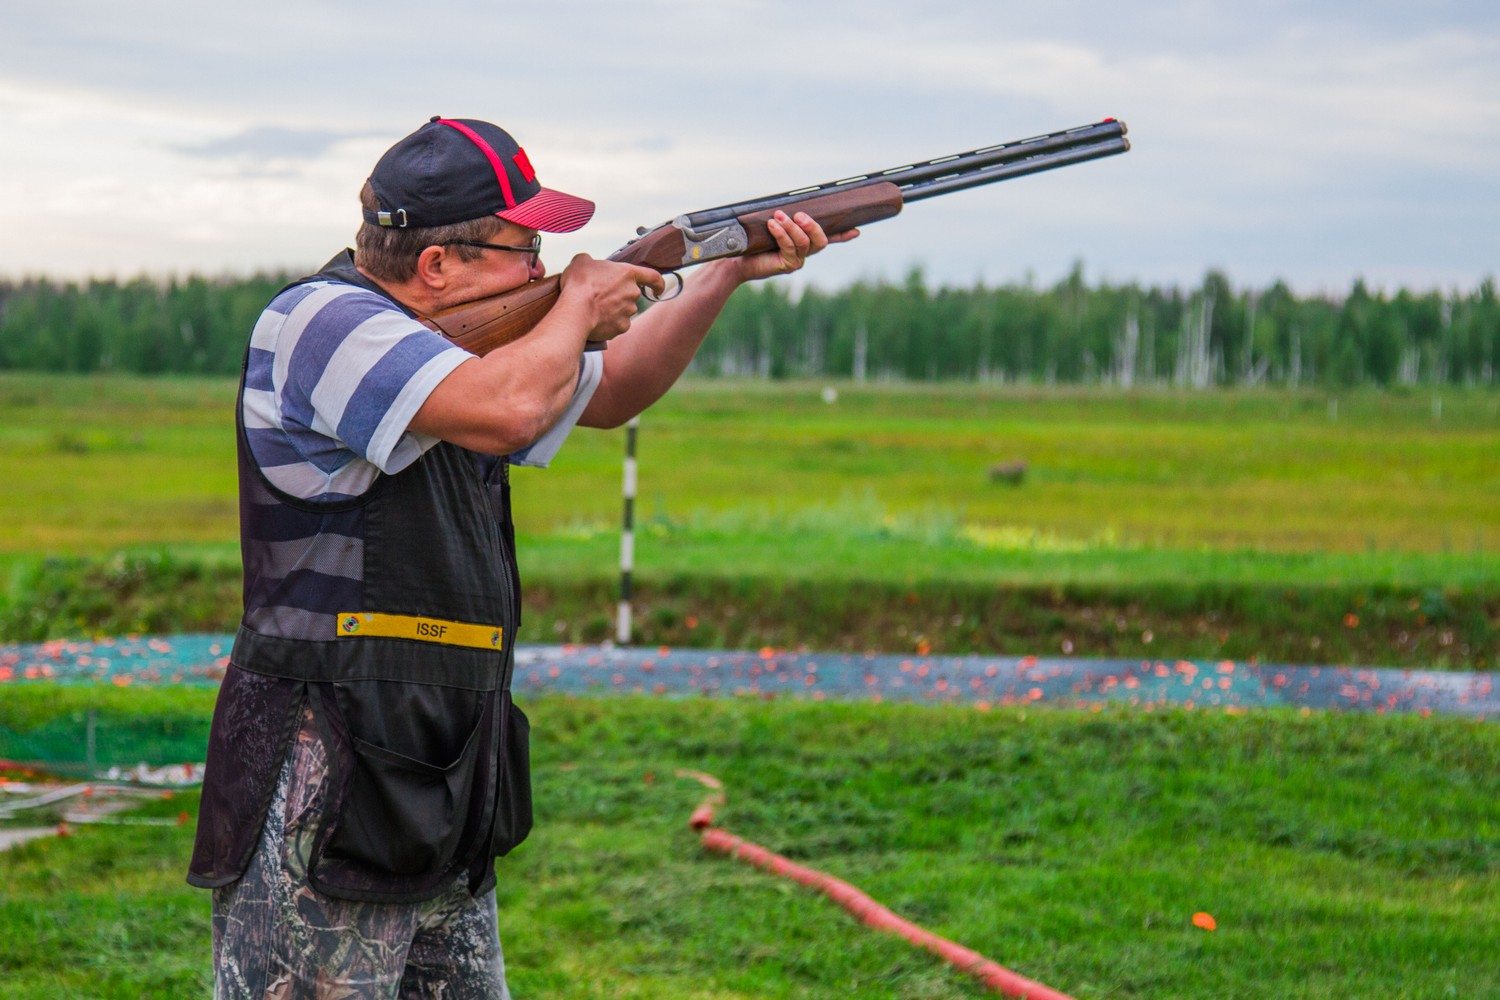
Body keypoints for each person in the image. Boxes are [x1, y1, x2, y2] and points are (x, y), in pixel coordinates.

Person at [187, 116, 854, 998]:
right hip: (326, 776)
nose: (545, 267)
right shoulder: (322, 319)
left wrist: (723, 270)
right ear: (438, 266)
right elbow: (505, 411)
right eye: (523, 246)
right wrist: (579, 305)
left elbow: (611, 390)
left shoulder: (479, 345)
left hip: (441, 768)